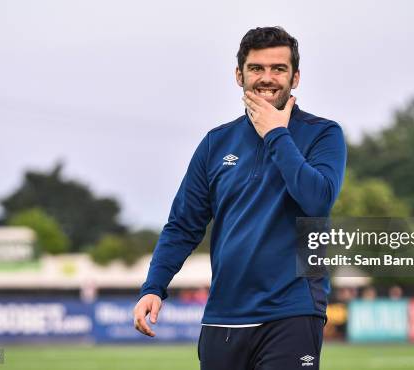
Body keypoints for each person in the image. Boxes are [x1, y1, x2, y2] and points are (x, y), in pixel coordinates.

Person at [133, 26, 347, 369]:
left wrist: (276, 132)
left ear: (296, 77)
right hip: (223, 316)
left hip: (292, 311)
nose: (267, 78)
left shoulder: (323, 134)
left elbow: (317, 199)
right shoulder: (216, 143)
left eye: (279, 69)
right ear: (239, 75)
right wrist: (153, 287)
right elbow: (182, 226)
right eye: (256, 68)